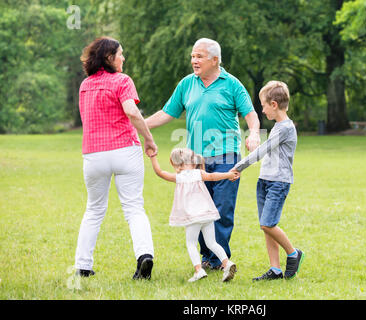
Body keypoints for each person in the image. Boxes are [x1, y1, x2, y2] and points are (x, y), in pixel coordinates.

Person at [145, 38, 260, 270]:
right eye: (192, 56)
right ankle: (207, 256)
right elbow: (167, 113)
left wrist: (255, 133)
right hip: (195, 161)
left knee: (222, 209)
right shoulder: (187, 84)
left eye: (199, 56)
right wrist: (139, 125)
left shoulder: (233, 84)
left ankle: (219, 259)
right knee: (198, 209)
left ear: (214, 60)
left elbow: (251, 114)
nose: (193, 61)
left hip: (227, 155)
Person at [74, 37, 157, 280]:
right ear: (109, 57)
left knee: (94, 210)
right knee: (134, 207)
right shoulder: (122, 81)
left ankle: (82, 265)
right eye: (121, 54)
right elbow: (131, 110)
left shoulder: (85, 85)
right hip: (124, 150)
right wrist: (149, 139)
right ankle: (144, 256)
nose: (124, 58)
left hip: (94, 154)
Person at [230, 81, 305, 281]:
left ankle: (293, 253)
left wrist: (238, 167)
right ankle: (275, 269)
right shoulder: (278, 127)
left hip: (278, 182)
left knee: (267, 224)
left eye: (262, 106)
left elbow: (262, 151)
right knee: (266, 226)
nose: (261, 110)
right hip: (264, 181)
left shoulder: (285, 128)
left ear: (273, 104)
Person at [149, 147, 239, 282]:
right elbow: (213, 176)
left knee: (191, 243)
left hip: (193, 217)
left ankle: (198, 270)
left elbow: (160, 172)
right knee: (212, 242)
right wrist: (228, 175)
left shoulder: (178, 177)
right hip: (207, 214)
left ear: (176, 164)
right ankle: (227, 263)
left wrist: (153, 157)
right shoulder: (199, 173)